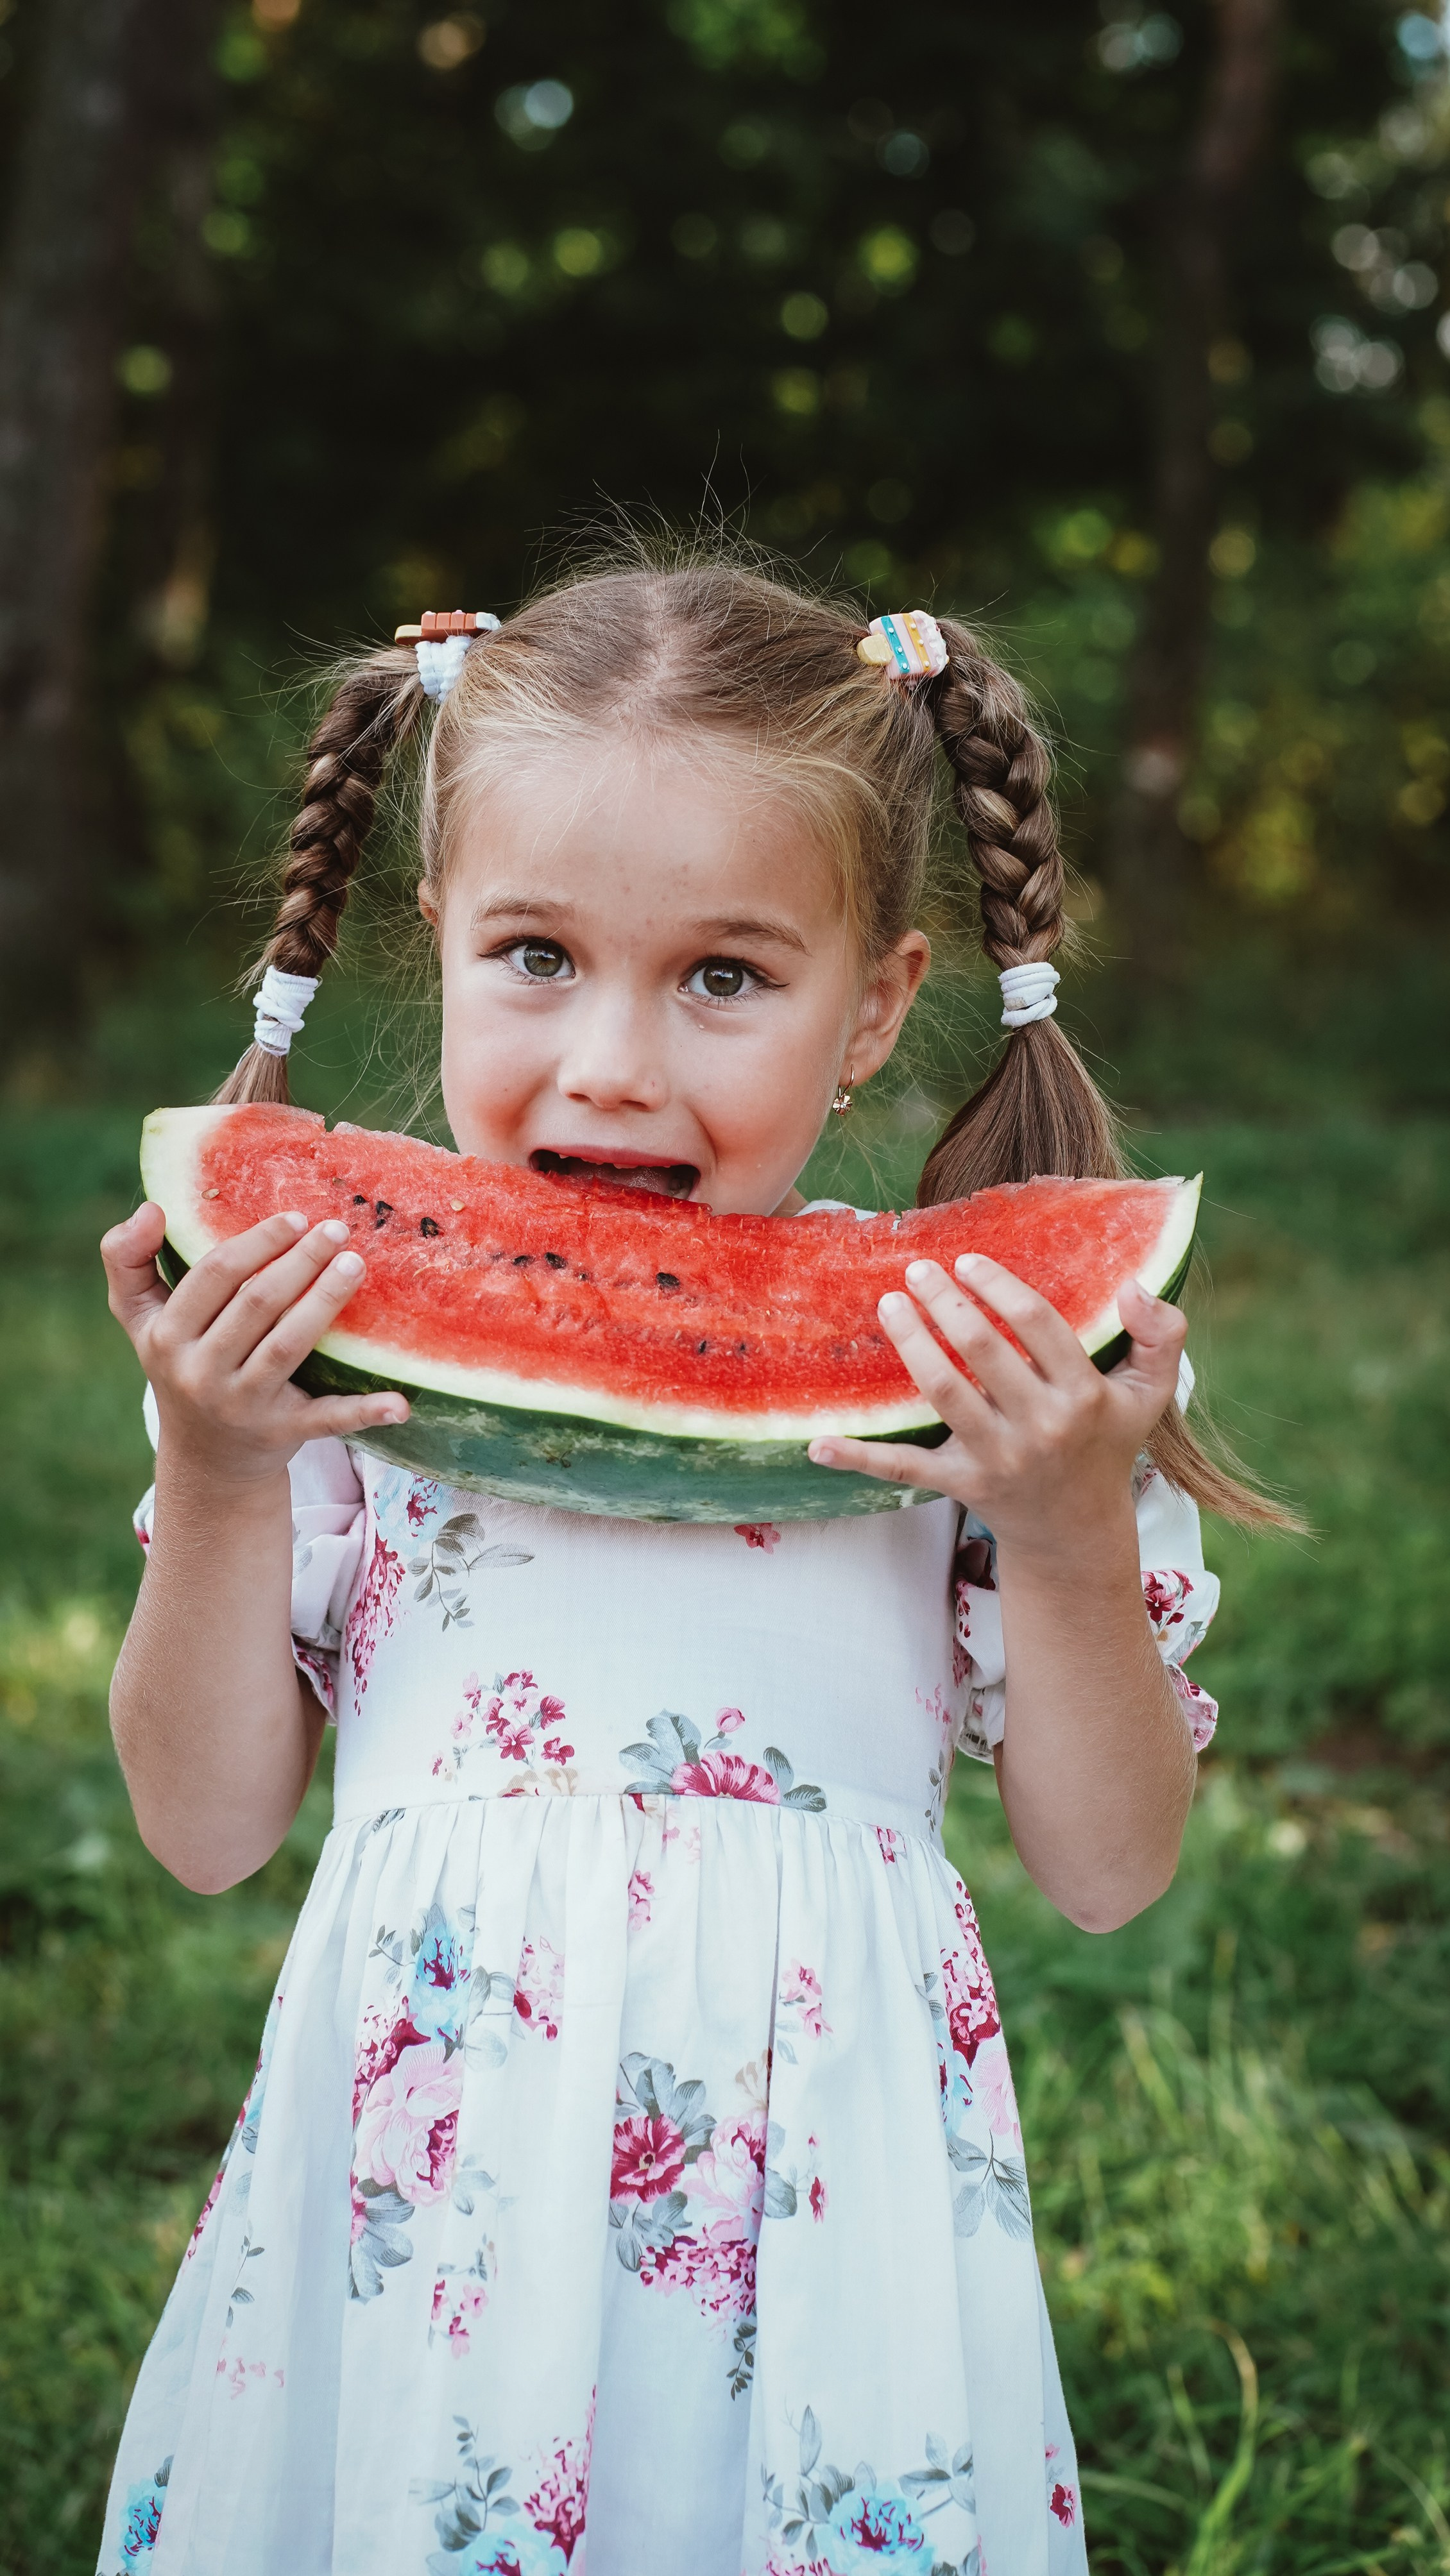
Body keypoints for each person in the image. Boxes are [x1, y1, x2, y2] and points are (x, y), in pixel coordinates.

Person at [97, 561, 1276, 2576]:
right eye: (535, 956)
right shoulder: (307, 1356)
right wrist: (216, 1473)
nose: (617, 1063)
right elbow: (204, 1831)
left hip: (823, 2198)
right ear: (435, 949)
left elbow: (1107, 1869)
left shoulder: (986, 1387)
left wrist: (1066, 1529)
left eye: (723, 976)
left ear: (875, 1006)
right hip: (433, 2188)